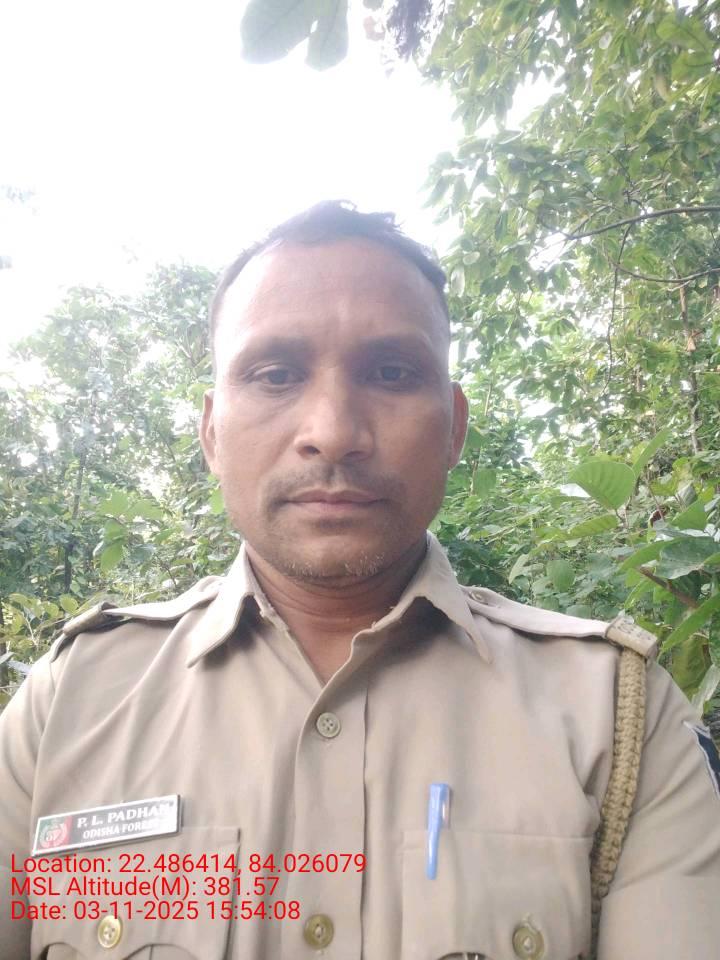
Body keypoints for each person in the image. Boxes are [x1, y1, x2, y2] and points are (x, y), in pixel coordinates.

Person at [1, 200, 719, 960]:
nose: (334, 432)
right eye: (276, 375)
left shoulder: (617, 717)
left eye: (392, 373)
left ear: (454, 427)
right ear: (212, 432)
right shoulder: (71, 701)